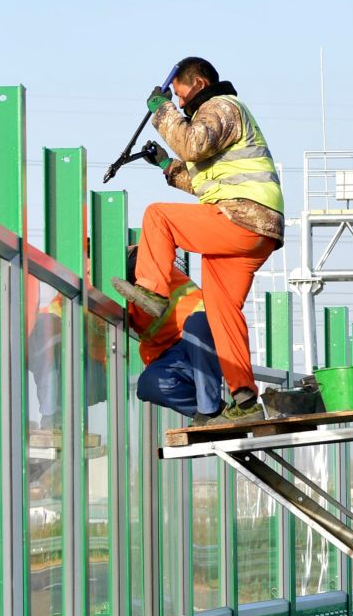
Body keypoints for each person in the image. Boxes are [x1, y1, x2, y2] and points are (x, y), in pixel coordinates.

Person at [110, 56, 282, 423]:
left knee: (158, 216)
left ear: (199, 84)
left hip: (242, 217)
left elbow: (193, 143)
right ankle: (245, 399)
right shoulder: (222, 120)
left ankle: (153, 291)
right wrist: (166, 166)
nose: (179, 101)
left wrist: (162, 113)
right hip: (252, 228)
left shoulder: (222, 106)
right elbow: (202, 180)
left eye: (179, 93)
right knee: (221, 314)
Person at [124, 246, 226, 420]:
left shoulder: (142, 260)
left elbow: (145, 257)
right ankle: (216, 414)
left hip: (201, 337)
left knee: (196, 324)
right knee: (149, 384)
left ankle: (208, 409)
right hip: (170, 355)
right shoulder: (108, 289)